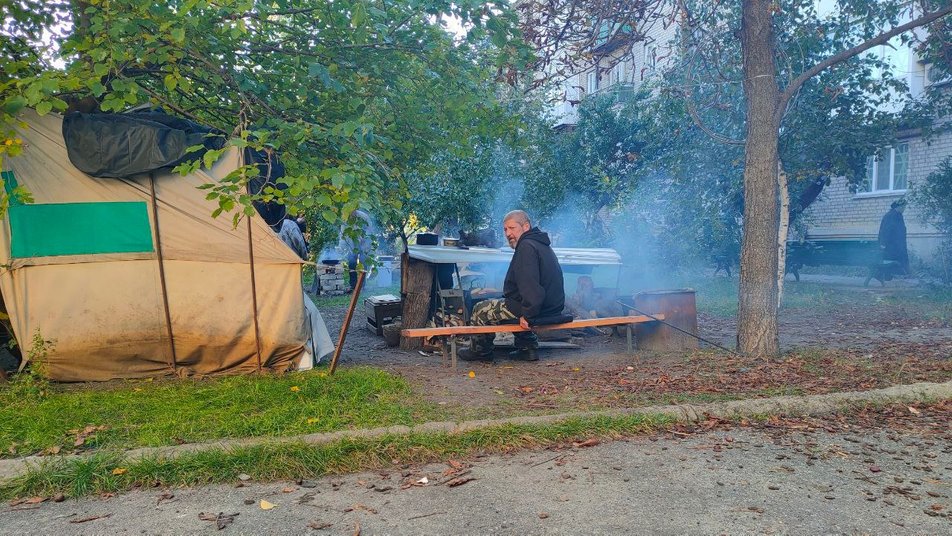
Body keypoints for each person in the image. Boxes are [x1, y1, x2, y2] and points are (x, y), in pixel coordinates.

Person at [459, 210, 565, 362]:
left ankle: (480, 351)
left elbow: (530, 285)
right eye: (505, 229)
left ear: (526, 226)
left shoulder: (526, 247)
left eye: (512, 228)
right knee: (513, 308)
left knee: (480, 309)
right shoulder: (540, 244)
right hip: (550, 308)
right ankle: (528, 348)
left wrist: (528, 314)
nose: (508, 233)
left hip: (538, 309)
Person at [878, 198, 909, 274]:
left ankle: (901, 273)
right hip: (891, 244)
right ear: (898, 207)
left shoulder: (898, 215)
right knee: (890, 259)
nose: (904, 209)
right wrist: (883, 244)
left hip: (898, 243)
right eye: (903, 207)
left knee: (899, 258)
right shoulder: (890, 215)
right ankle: (888, 274)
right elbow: (885, 231)